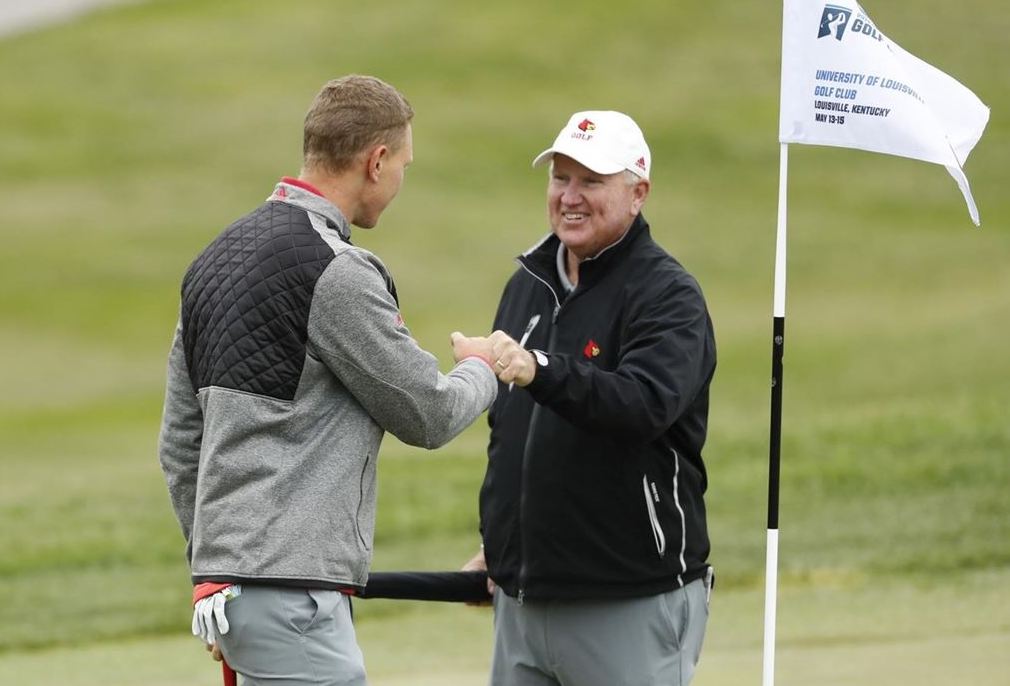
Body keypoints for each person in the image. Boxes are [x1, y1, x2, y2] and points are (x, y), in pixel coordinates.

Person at [158, 75, 499, 686]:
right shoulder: (335, 272)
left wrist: (220, 580)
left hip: (242, 591)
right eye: (403, 166)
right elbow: (428, 414)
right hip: (289, 594)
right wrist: (484, 366)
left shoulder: (213, 259)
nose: (399, 183)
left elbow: (181, 446)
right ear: (376, 161)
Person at [464, 110, 717, 686]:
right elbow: (512, 434)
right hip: (524, 603)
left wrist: (541, 368)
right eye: (560, 178)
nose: (569, 198)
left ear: (638, 193)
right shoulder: (527, 284)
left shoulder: (667, 295)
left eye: (592, 182)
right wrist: (503, 544)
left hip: (630, 596)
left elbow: (642, 405)